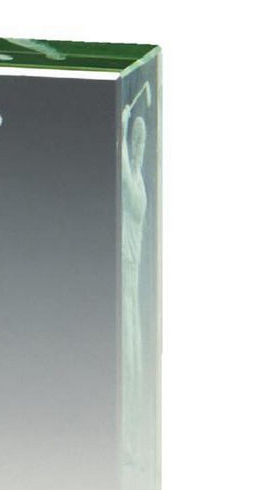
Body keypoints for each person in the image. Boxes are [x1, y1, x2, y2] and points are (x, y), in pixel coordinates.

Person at [120, 103, 148, 465]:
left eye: (141, 143)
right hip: (124, 280)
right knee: (127, 359)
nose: (138, 147)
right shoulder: (136, 186)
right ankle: (126, 442)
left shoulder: (138, 191)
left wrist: (122, 124)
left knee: (131, 360)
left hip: (129, 282)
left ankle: (131, 442)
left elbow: (124, 176)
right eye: (134, 142)